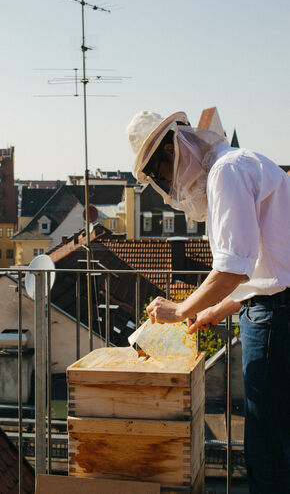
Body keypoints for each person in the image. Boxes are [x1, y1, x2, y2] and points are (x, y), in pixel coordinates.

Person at [126, 110, 290, 494]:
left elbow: (235, 269)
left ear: (172, 150)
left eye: (161, 175)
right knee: (279, 440)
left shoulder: (225, 173)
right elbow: (268, 272)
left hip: (272, 320)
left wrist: (181, 310)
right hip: (274, 313)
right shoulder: (244, 162)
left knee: (267, 448)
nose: (167, 184)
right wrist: (212, 311)